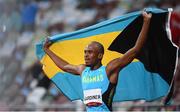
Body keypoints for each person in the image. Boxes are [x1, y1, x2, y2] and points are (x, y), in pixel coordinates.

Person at [43, 11, 152, 111]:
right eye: (85, 52)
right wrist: (47, 50)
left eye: (90, 52)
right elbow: (65, 66)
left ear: (99, 55)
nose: (86, 55)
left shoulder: (109, 69)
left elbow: (135, 50)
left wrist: (146, 21)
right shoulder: (83, 70)